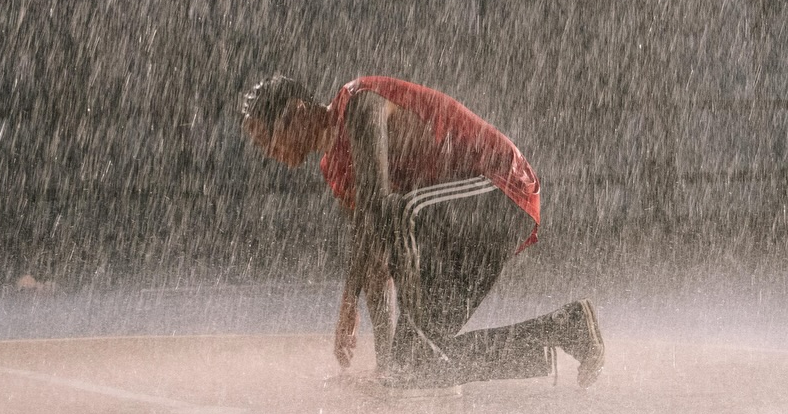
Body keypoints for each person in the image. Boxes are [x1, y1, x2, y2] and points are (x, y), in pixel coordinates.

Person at [241, 75, 605, 390]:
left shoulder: (359, 103)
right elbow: (374, 262)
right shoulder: (334, 170)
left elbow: (375, 206)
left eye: (265, 140)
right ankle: (565, 329)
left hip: (500, 188)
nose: (269, 154)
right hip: (461, 226)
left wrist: (348, 305)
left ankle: (405, 363)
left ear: (296, 114)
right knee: (413, 365)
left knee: (395, 214)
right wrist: (386, 365)